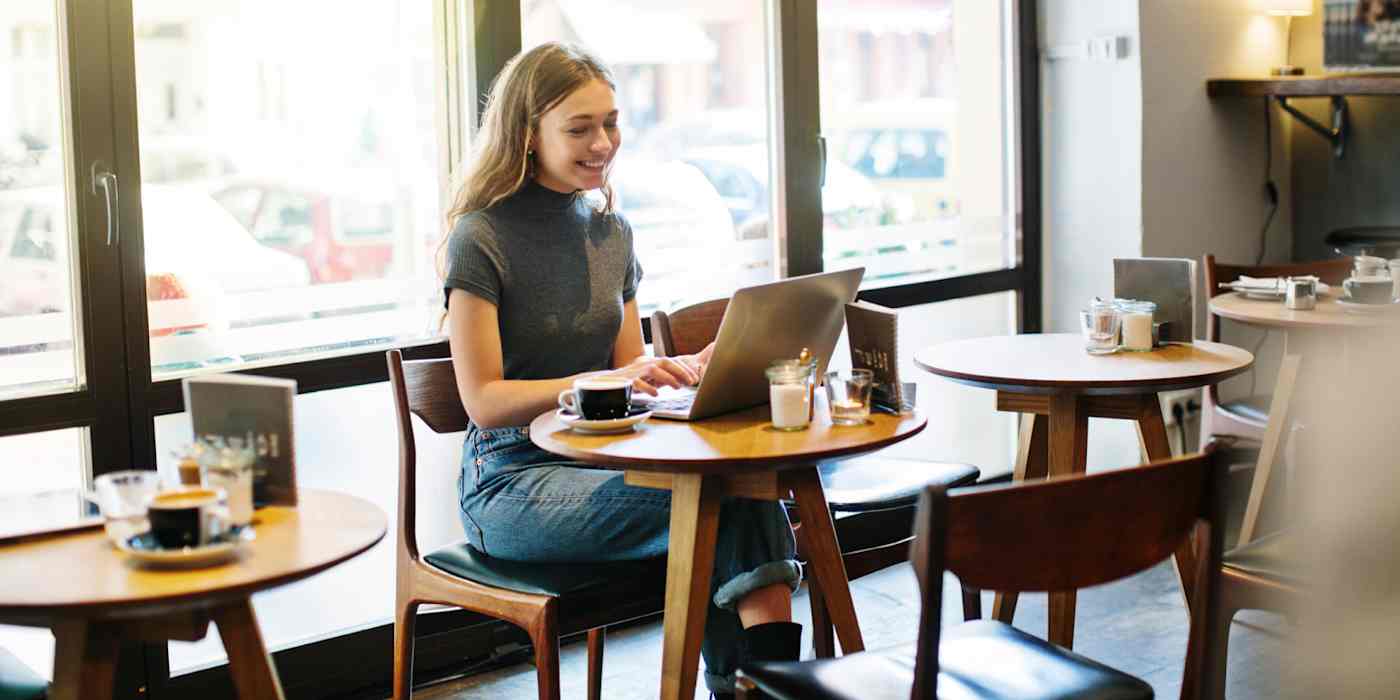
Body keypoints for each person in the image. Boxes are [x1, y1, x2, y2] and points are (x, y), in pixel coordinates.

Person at [438, 42, 802, 698]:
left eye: (610, 122)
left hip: (602, 461)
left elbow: (628, 369)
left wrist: (676, 368)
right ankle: (767, 687)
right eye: (579, 128)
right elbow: (484, 401)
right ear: (526, 136)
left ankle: (759, 688)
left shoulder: (612, 233)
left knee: (735, 492)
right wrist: (600, 383)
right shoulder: (481, 238)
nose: (603, 142)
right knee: (723, 501)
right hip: (510, 482)